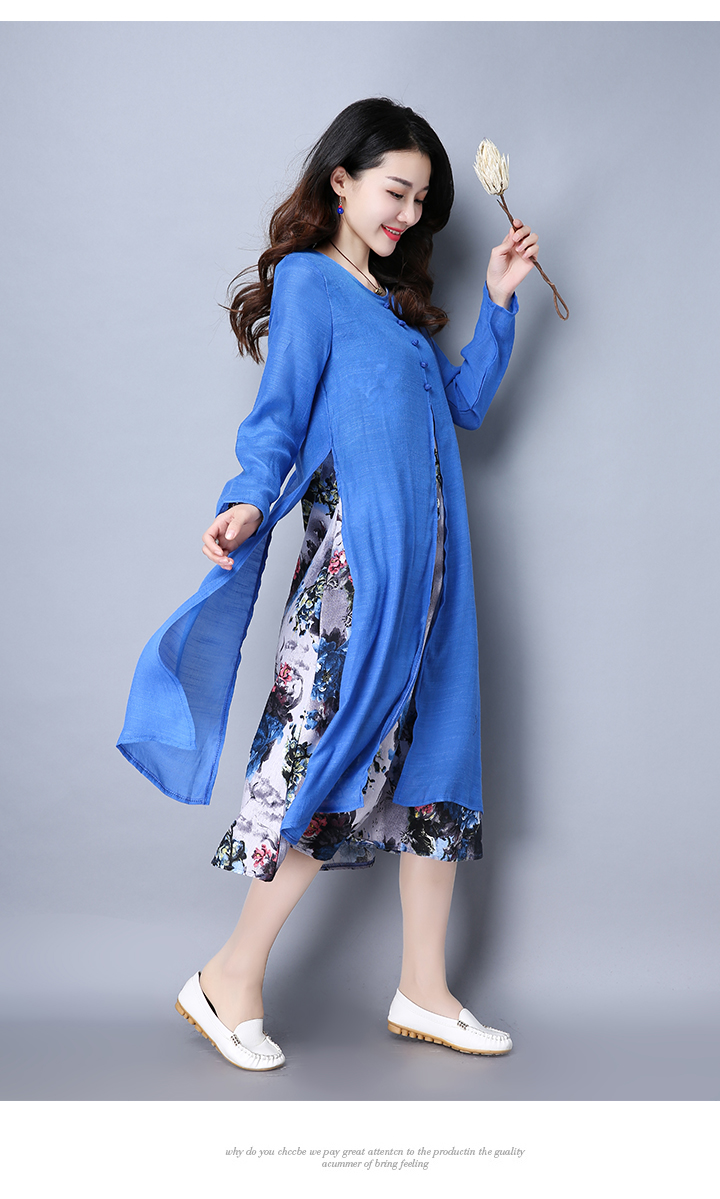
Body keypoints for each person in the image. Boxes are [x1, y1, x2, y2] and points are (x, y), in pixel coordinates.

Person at [117, 97, 539, 1071]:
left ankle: (425, 987)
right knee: (329, 761)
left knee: (434, 768)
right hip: (357, 579)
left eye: (422, 201)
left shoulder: (394, 312)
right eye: (397, 190)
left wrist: (499, 301)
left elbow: (463, 404)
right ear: (341, 181)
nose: (408, 214)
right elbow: (277, 415)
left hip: (436, 582)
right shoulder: (312, 283)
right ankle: (229, 976)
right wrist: (244, 499)